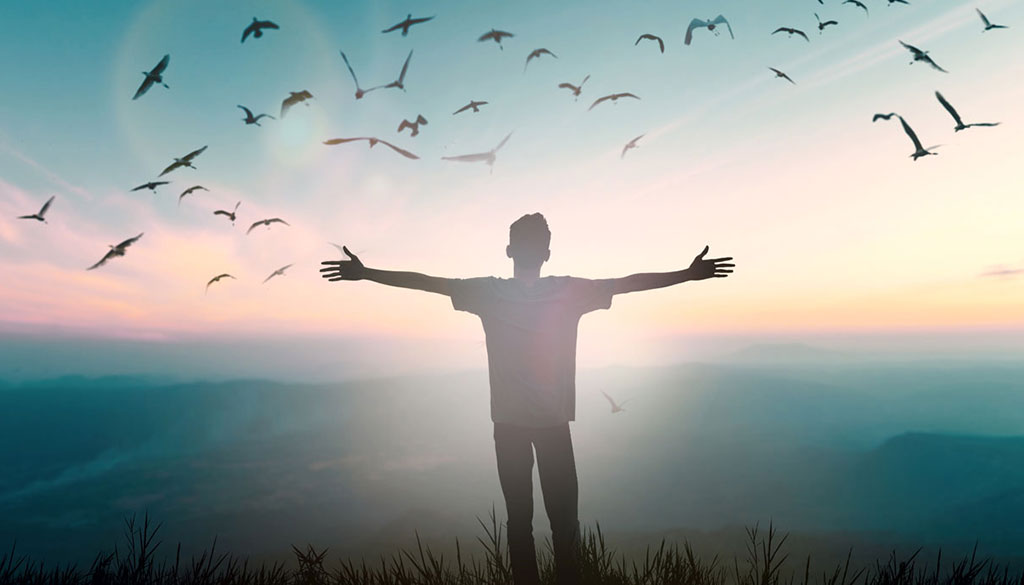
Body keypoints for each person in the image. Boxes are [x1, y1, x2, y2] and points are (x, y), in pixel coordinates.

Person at [320, 213, 734, 585]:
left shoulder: (487, 293)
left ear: (508, 251)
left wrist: (367, 273)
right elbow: (628, 284)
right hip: (553, 427)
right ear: (548, 253)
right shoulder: (570, 292)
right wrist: (686, 274)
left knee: (520, 522)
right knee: (564, 525)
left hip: (509, 428)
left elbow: (425, 282)